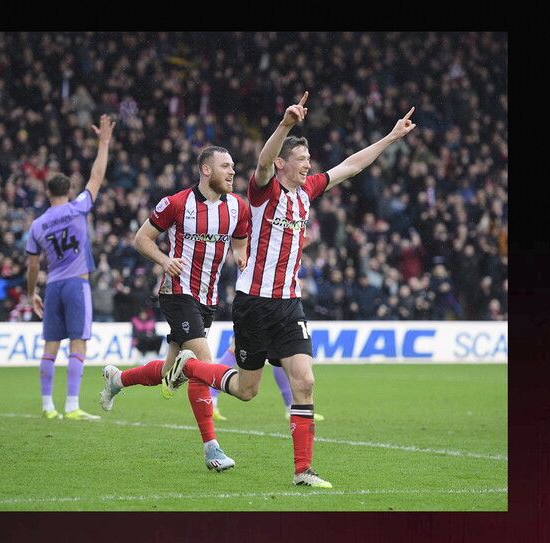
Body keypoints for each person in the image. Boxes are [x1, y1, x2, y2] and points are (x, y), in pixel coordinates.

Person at [160, 92, 416, 488]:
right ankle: (191, 366)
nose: (308, 165)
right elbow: (263, 162)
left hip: (289, 305)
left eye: (309, 160)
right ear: (283, 164)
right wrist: (286, 125)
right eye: (301, 159)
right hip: (254, 304)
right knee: (247, 391)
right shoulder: (265, 192)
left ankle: (303, 471)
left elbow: (350, 166)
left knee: (306, 381)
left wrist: (391, 137)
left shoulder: (307, 191)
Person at [98, 145, 251, 472]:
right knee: (202, 363)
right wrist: (165, 260)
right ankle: (212, 450)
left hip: (208, 297)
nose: (233, 172)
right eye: (226, 166)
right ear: (206, 170)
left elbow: (240, 241)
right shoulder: (177, 203)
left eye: (233, 166)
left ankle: (117, 380)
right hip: (178, 291)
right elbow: (142, 239)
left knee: (173, 372)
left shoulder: (238, 207)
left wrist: (241, 257)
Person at [25, 114, 115, 421]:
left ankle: (48, 406)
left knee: (50, 347)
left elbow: (33, 266)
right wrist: (103, 142)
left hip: (52, 287)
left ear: (47, 193)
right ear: (68, 190)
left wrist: (30, 294)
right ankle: (72, 405)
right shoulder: (79, 207)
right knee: (78, 344)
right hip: (77, 284)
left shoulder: (37, 225)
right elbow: (97, 174)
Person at [208, 339, 324, 422]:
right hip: (257, 307)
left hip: (274, 306)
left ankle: (291, 408)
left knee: (281, 349)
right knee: (237, 345)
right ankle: (211, 399)